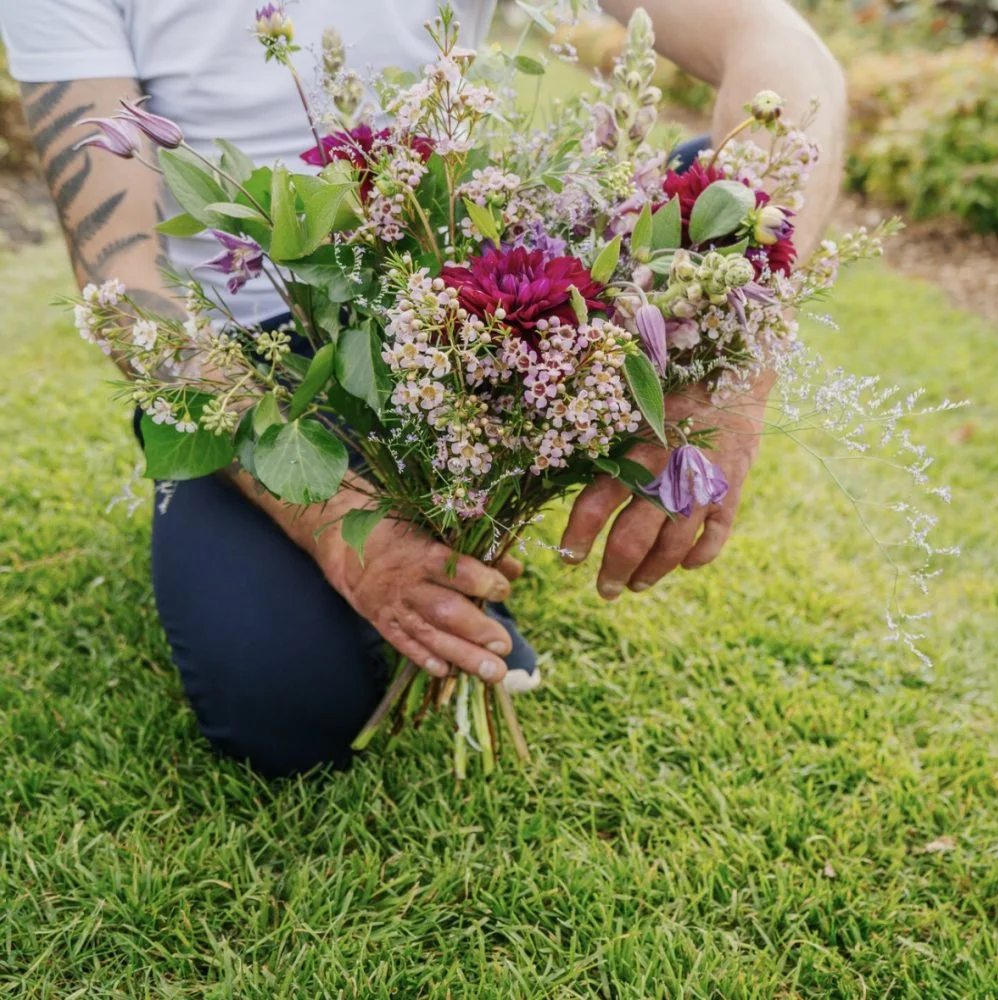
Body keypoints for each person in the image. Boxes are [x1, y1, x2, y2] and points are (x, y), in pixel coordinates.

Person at [0, 0, 846, 777]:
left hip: (452, 303)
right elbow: (124, 287)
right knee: (288, 710)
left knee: (720, 187)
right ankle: (423, 555)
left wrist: (726, 362)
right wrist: (331, 524)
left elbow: (783, 48)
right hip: (249, 356)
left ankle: (462, 543)